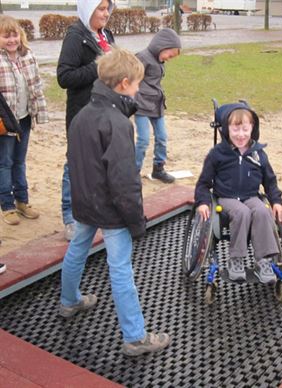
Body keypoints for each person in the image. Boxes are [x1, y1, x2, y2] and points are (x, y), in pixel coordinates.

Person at [59, 47, 170, 357]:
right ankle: (135, 337)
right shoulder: (118, 124)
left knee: (77, 249)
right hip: (110, 210)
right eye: (136, 84)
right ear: (123, 83)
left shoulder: (82, 114)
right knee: (120, 269)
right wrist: (135, 221)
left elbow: (75, 164)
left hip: (85, 202)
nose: (137, 89)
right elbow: (124, 180)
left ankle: (69, 301)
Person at [195, 101, 282, 283]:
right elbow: (203, 183)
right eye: (235, 129)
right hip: (226, 198)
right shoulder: (218, 154)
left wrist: (276, 201)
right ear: (226, 130)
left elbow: (270, 180)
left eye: (245, 129)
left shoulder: (258, 154)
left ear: (252, 128)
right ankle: (236, 259)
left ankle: (264, 261)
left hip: (250, 196)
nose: (241, 135)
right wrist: (202, 202)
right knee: (241, 212)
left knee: (262, 211)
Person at [57, 0, 115, 241]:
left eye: (107, 9)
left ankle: (94, 210)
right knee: (75, 164)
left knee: (100, 162)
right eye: (100, 9)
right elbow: (64, 76)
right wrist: (97, 67)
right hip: (82, 112)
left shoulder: (105, 34)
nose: (105, 14)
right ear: (88, 9)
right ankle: (70, 217)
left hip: (105, 110)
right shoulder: (75, 36)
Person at [0, 16, 48, 226]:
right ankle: (7, 204)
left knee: (20, 161)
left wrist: (40, 113)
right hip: (5, 121)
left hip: (24, 118)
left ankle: (22, 201)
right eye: (6, 36)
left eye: (14, 35)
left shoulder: (28, 56)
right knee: (5, 162)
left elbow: (36, 86)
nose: (11, 40)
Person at [135, 28, 181, 183]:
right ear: (162, 46)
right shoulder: (142, 57)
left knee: (162, 137)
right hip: (142, 105)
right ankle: (133, 173)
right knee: (143, 140)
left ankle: (158, 169)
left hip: (157, 104)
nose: (169, 58)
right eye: (170, 55)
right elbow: (131, 80)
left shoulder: (159, 60)